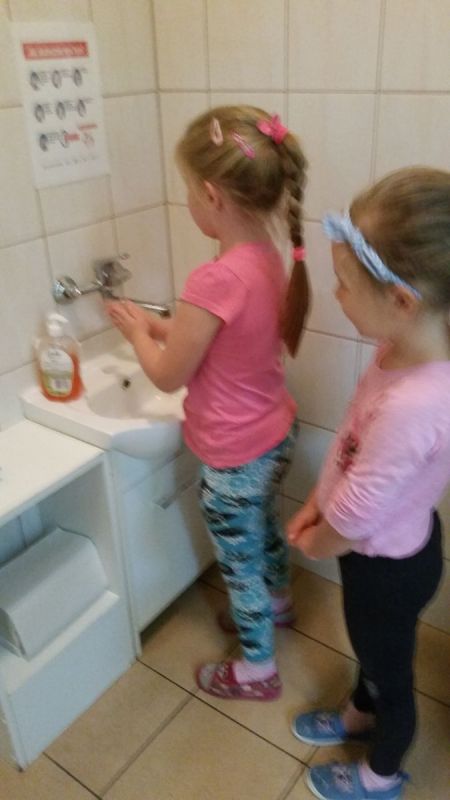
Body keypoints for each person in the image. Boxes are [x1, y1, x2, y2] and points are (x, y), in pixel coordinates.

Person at [106, 105, 309, 700]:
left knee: (238, 566)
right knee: (263, 530)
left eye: (188, 192)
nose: (188, 203)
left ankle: (257, 670)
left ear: (212, 196)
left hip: (233, 457)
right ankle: (278, 602)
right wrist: (160, 325)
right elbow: (222, 339)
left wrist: (138, 335)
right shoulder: (267, 258)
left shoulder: (213, 278)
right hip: (275, 434)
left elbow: (169, 376)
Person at [287, 167, 450, 800]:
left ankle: (380, 773)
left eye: (346, 284)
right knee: (372, 651)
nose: (336, 295)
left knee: (391, 672)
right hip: (378, 549)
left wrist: (319, 538)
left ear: (402, 302)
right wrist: (316, 501)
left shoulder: (418, 401)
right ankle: (359, 714)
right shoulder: (397, 354)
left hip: (385, 564)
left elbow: (359, 510)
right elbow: (353, 449)